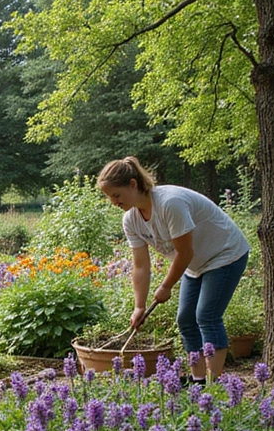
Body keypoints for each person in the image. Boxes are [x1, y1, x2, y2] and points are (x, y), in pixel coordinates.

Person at [97, 157, 250, 381]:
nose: (113, 202)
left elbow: (185, 252)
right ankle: (198, 382)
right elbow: (140, 265)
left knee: (206, 316)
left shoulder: (170, 203)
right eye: (109, 197)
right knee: (186, 319)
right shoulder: (131, 220)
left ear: (132, 184)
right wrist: (139, 306)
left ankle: (214, 385)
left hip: (225, 254)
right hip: (195, 264)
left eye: (116, 195)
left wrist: (166, 286)